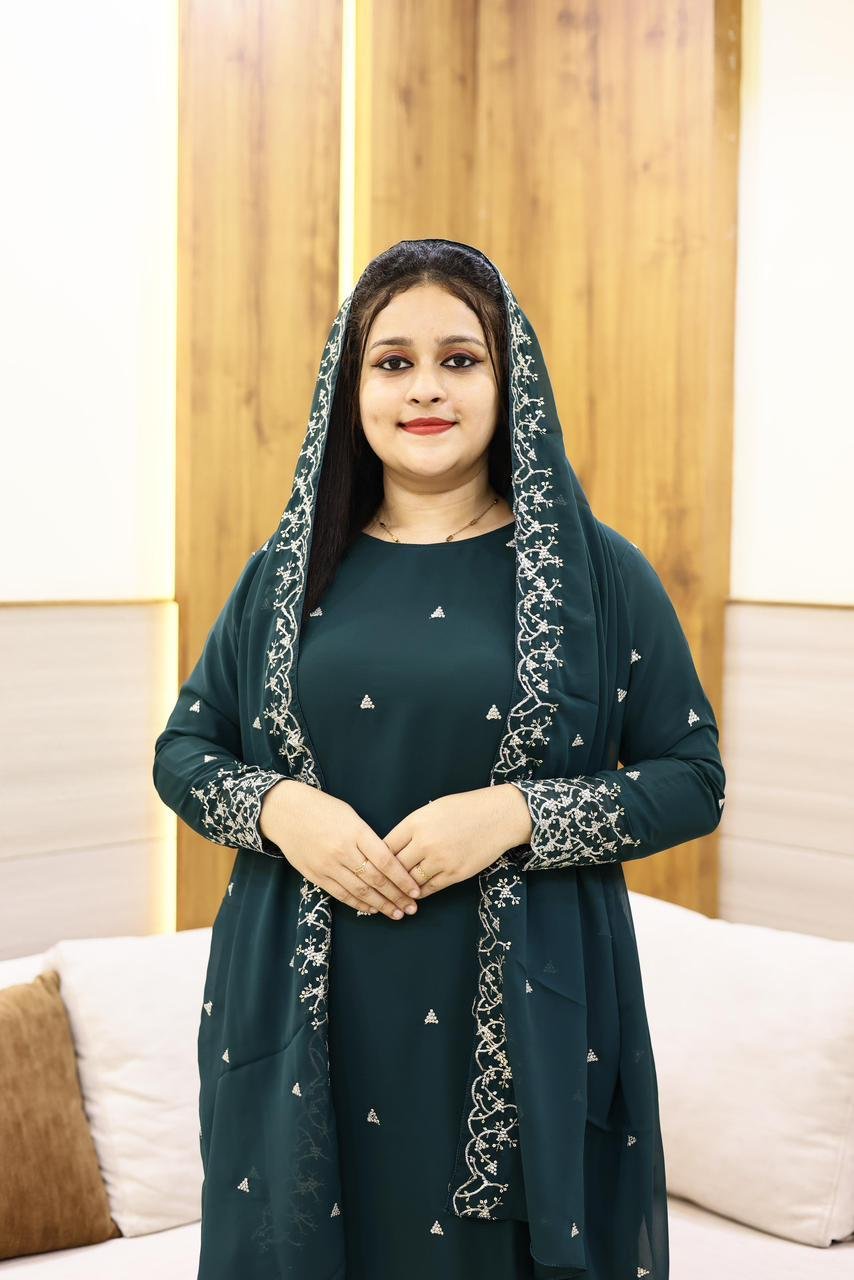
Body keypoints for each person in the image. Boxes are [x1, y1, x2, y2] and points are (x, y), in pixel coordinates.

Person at [153, 238, 726, 1280]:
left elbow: (691, 778)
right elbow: (185, 750)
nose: (425, 388)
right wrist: (281, 808)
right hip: (300, 1011)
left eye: (460, 359)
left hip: (520, 1018)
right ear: (352, 386)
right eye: (393, 361)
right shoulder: (284, 573)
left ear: (510, 382)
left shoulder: (599, 574)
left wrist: (514, 814)